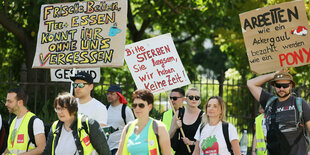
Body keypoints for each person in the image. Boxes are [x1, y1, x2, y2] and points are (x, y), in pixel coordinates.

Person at [247, 70, 310, 155]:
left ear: (291, 86)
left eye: (285, 86)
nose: (281, 89)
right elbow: (250, 83)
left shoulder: (299, 103)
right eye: (278, 85)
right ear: (274, 86)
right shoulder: (269, 102)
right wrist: (274, 75)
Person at [42, 92, 110, 155]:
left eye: (63, 108)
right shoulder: (55, 126)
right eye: (58, 109)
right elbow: (47, 152)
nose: (60, 112)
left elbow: (105, 152)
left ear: (72, 109)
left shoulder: (89, 124)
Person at [117, 89, 172, 155]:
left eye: (141, 105)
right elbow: (119, 153)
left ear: (150, 107)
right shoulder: (128, 128)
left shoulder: (159, 128)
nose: (137, 108)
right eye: (134, 105)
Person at [2, 88, 46, 155]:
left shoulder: (35, 121)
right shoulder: (12, 121)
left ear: (20, 102)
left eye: (9, 101)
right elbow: (11, 146)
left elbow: (42, 148)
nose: (6, 104)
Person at [169, 87, 203, 154]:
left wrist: (192, 143)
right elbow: (169, 136)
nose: (194, 99)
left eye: (197, 98)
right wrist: (175, 127)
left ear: (199, 100)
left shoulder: (203, 116)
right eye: (191, 97)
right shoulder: (179, 113)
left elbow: (207, 141)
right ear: (185, 99)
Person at [106, 85, 135, 155]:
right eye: (108, 93)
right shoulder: (105, 109)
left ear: (119, 95)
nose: (109, 96)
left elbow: (132, 128)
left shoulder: (125, 110)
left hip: (119, 147)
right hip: (106, 147)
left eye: (112, 94)